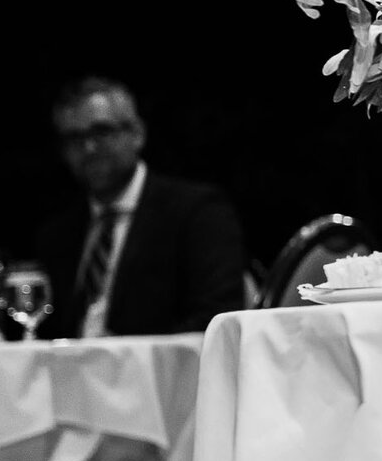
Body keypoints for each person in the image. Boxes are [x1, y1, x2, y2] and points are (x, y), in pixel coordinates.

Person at [34, 77, 248, 337]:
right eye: (74, 138)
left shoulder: (197, 212)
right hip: (67, 374)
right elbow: (43, 333)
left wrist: (125, 356)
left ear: (137, 134)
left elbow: (217, 319)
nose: (88, 148)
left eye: (101, 132)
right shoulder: (57, 235)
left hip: (161, 373)